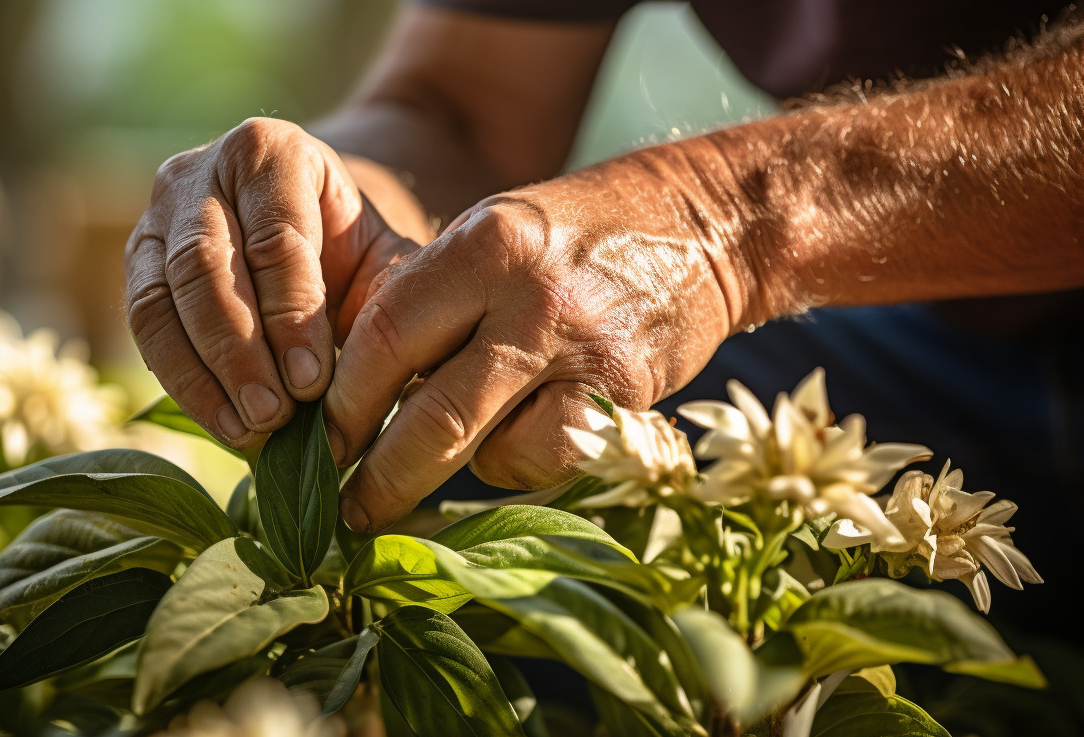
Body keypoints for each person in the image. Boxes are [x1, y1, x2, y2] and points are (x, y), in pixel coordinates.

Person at [123, 1, 1084, 630]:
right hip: (946, 343)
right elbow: (460, 106)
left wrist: (717, 221)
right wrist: (334, 215)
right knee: (491, 462)